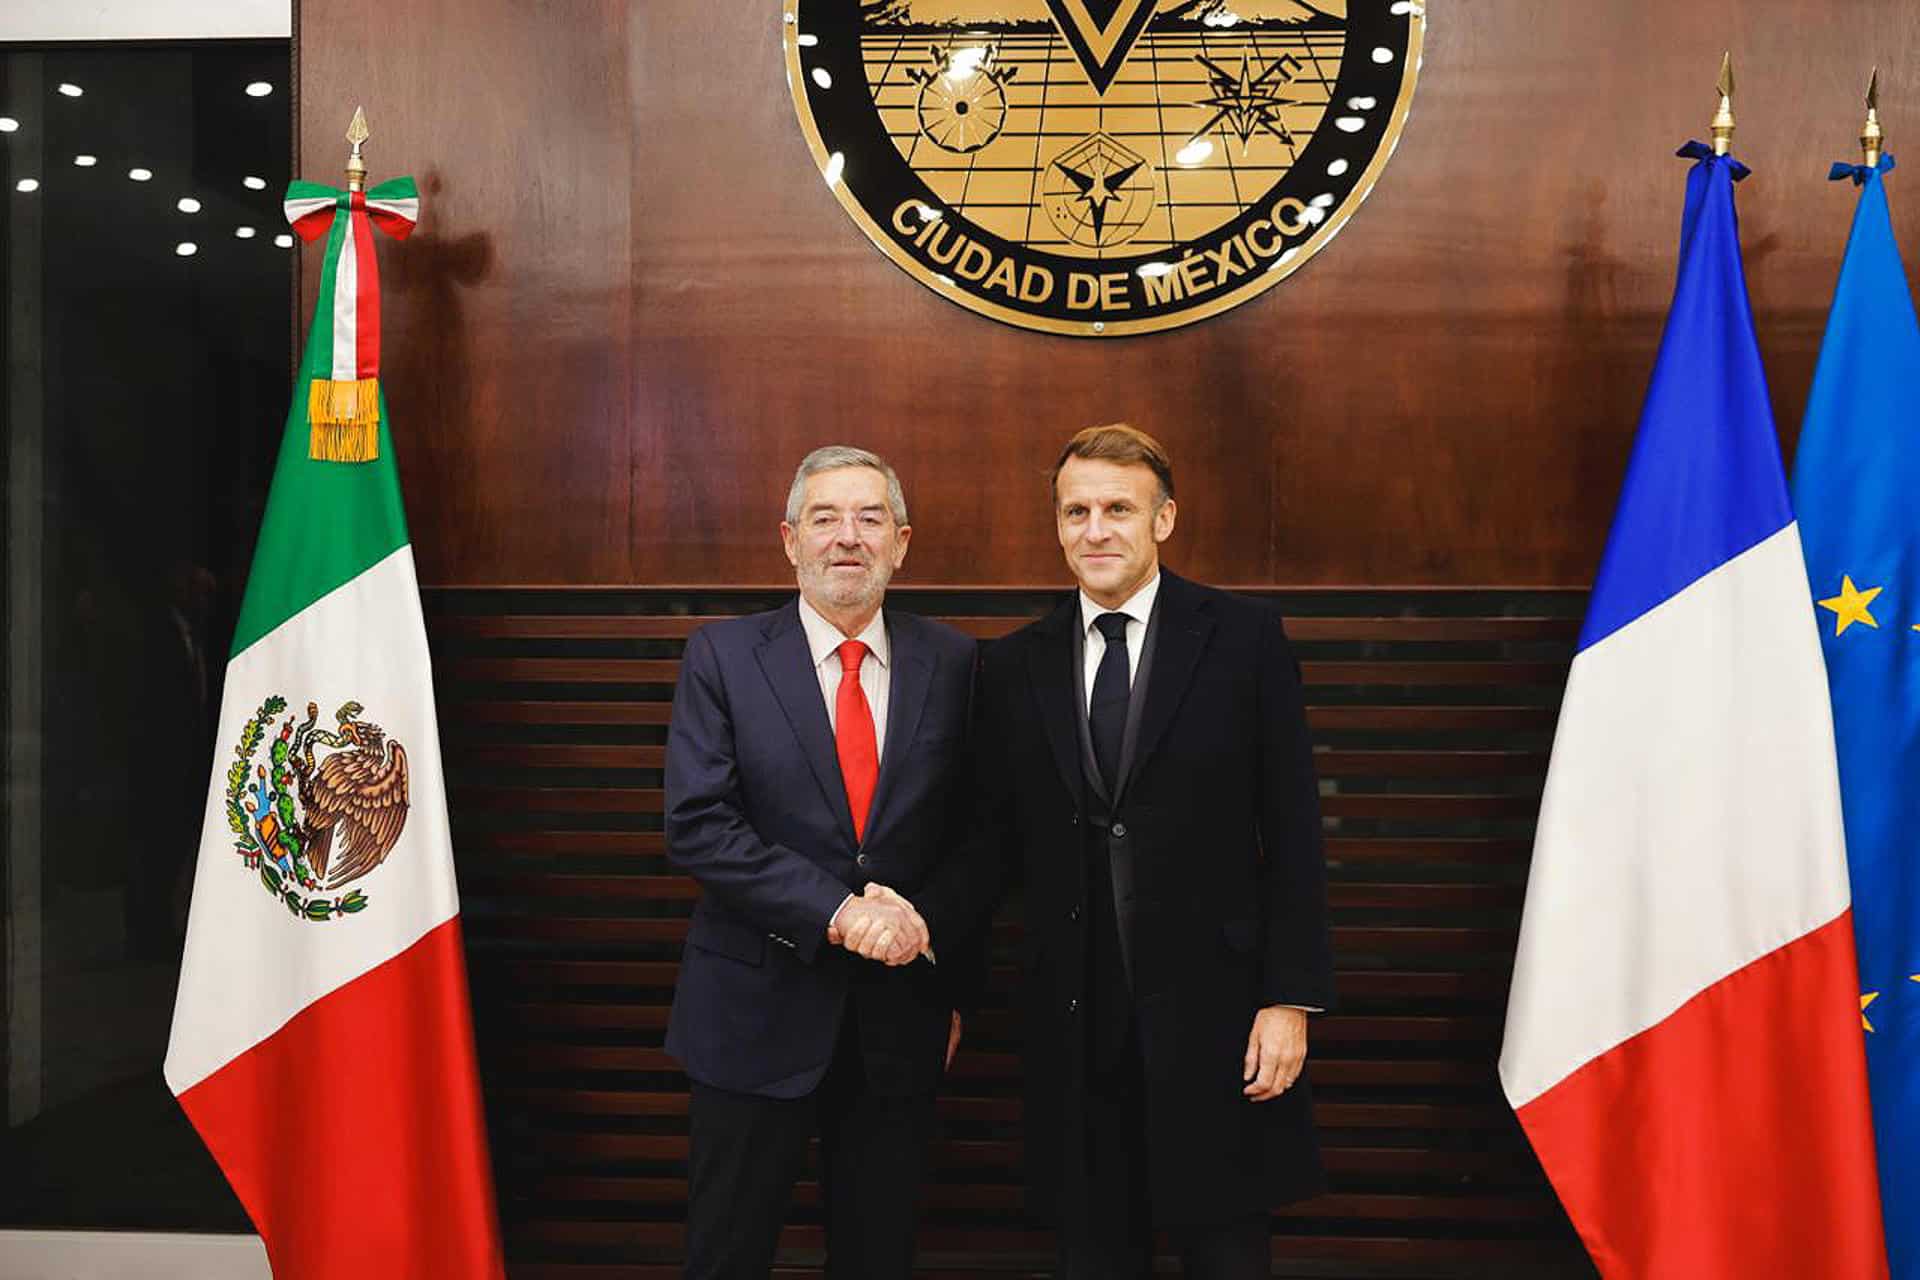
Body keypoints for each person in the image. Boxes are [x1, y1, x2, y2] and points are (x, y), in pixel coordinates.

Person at [920, 423, 1335, 1279]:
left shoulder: (1245, 640)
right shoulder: (1012, 666)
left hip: (1220, 1018)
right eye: (1077, 511)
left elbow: (1293, 828)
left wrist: (1289, 998)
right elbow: (991, 844)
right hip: (1072, 1021)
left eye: (1118, 508)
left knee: (1226, 1253)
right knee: (1093, 1256)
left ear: (1165, 520)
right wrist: (920, 931)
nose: (1096, 529)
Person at [664, 446, 974, 1279]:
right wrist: (841, 912)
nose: (848, 538)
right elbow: (698, 823)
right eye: (825, 519)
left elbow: (980, 837)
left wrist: (927, 936)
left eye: (870, 518)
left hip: (897, 1020)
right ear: (789, 540)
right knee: (727, 1253)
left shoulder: (957, 664)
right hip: (749, 1016)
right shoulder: (722, 657)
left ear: (901, 543)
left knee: (878, 1256)